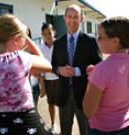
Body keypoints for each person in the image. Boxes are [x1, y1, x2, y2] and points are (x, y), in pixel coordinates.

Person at [0, 14, 53, 135]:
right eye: (24, 40)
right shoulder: (20, 58)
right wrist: (27, 38)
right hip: (27, 124)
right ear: (16, 40)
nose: (24, 45)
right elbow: (47, 65)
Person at [51, 4, 102, 135]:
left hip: (84, 96)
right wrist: (59, 70)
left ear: (82, 19)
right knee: (65, 131)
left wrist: (79, 71)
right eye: (69, 17)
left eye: (76, 17)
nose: (72, 20)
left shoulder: (90, 41)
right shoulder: (57, 43)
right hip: (64, 96)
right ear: (64, 18)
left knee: (86, 131)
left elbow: (99, 66)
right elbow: (53, 64)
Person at [83, 16, 129, 135]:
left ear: (115, 41)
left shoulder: (101, 70)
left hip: (103, 130)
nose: (97, 40)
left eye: (100, 37)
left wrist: (92, 79)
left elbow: (88, 111)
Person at [39, 23, 59, 134]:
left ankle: (65, 125)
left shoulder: (59, 44)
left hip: (61, 79)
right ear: (42, 34)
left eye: (50, 33)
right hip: (48, 80)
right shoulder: (40, 48)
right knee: (51, 103)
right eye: (45, 34)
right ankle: (53, 124)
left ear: (54, 33)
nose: (48, 36)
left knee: (63, 104)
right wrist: (42, 86)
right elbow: (41, 69)